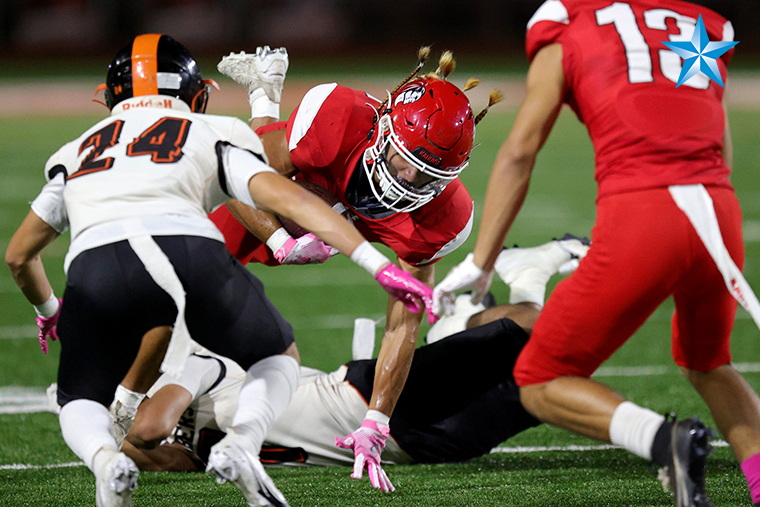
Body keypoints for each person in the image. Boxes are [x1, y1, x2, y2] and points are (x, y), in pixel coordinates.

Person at [4, 34, 434, 507]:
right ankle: (242, 441)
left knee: (78, 399)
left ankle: (105, 459)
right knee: (276, 359)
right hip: (188, 252)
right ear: (197, 96)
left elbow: (19, 255)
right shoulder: (207, 129)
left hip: (97, 263)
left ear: (109, 99)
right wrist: (373, 263)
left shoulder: (75, 150)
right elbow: (282, 195)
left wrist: (49, 310)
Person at [433, 1, 760, 506]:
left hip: (644, 216)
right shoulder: (699, 20)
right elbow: (720, 142)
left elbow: (520, 150)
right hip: (719, 209)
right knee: (709, 362)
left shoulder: (568, 22)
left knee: (538, 378)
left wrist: (481, 260)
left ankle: (663, 439)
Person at [206, 46, 502, 491]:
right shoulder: (337, 119)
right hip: (316, 178)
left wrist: (377, 421)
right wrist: (280, 241)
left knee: (325, 212)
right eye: (408, 166)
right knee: (210, 260)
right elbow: (229, 168)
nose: (410, 185)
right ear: (382, 130)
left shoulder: (443, 215)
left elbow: (404, 321)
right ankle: (264, 93)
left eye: (429, 179)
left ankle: (266, 93)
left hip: (339, 200)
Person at [70, 236, 586, 473]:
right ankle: (512, 285)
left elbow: (146, 431)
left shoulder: (200, 361)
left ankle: (536, 272)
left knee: (538, 334)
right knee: (549, 383)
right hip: (417, 449)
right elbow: (153, 454)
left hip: (373, 399)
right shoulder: (203, 448)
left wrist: (117, 418)